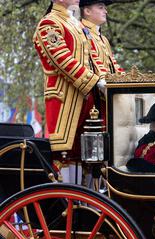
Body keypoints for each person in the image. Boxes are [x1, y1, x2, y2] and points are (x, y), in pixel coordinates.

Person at [33, 0, 107, 183]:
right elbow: (61, 59)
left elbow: (93, 58)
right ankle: (66, 199)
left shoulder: (75, 24)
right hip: (65, 98)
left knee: (88, 153)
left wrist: (110, 82)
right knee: (66, 153)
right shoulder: (49, 23)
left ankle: (87, 202)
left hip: (89, 98)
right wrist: (94, 81)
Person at [79, 0, 124, 75]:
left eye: (105, 8)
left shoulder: (104, 39)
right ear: (87, 11)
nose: (105, 12)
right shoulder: (80, 33)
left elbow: (114, 65)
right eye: (101, 8)